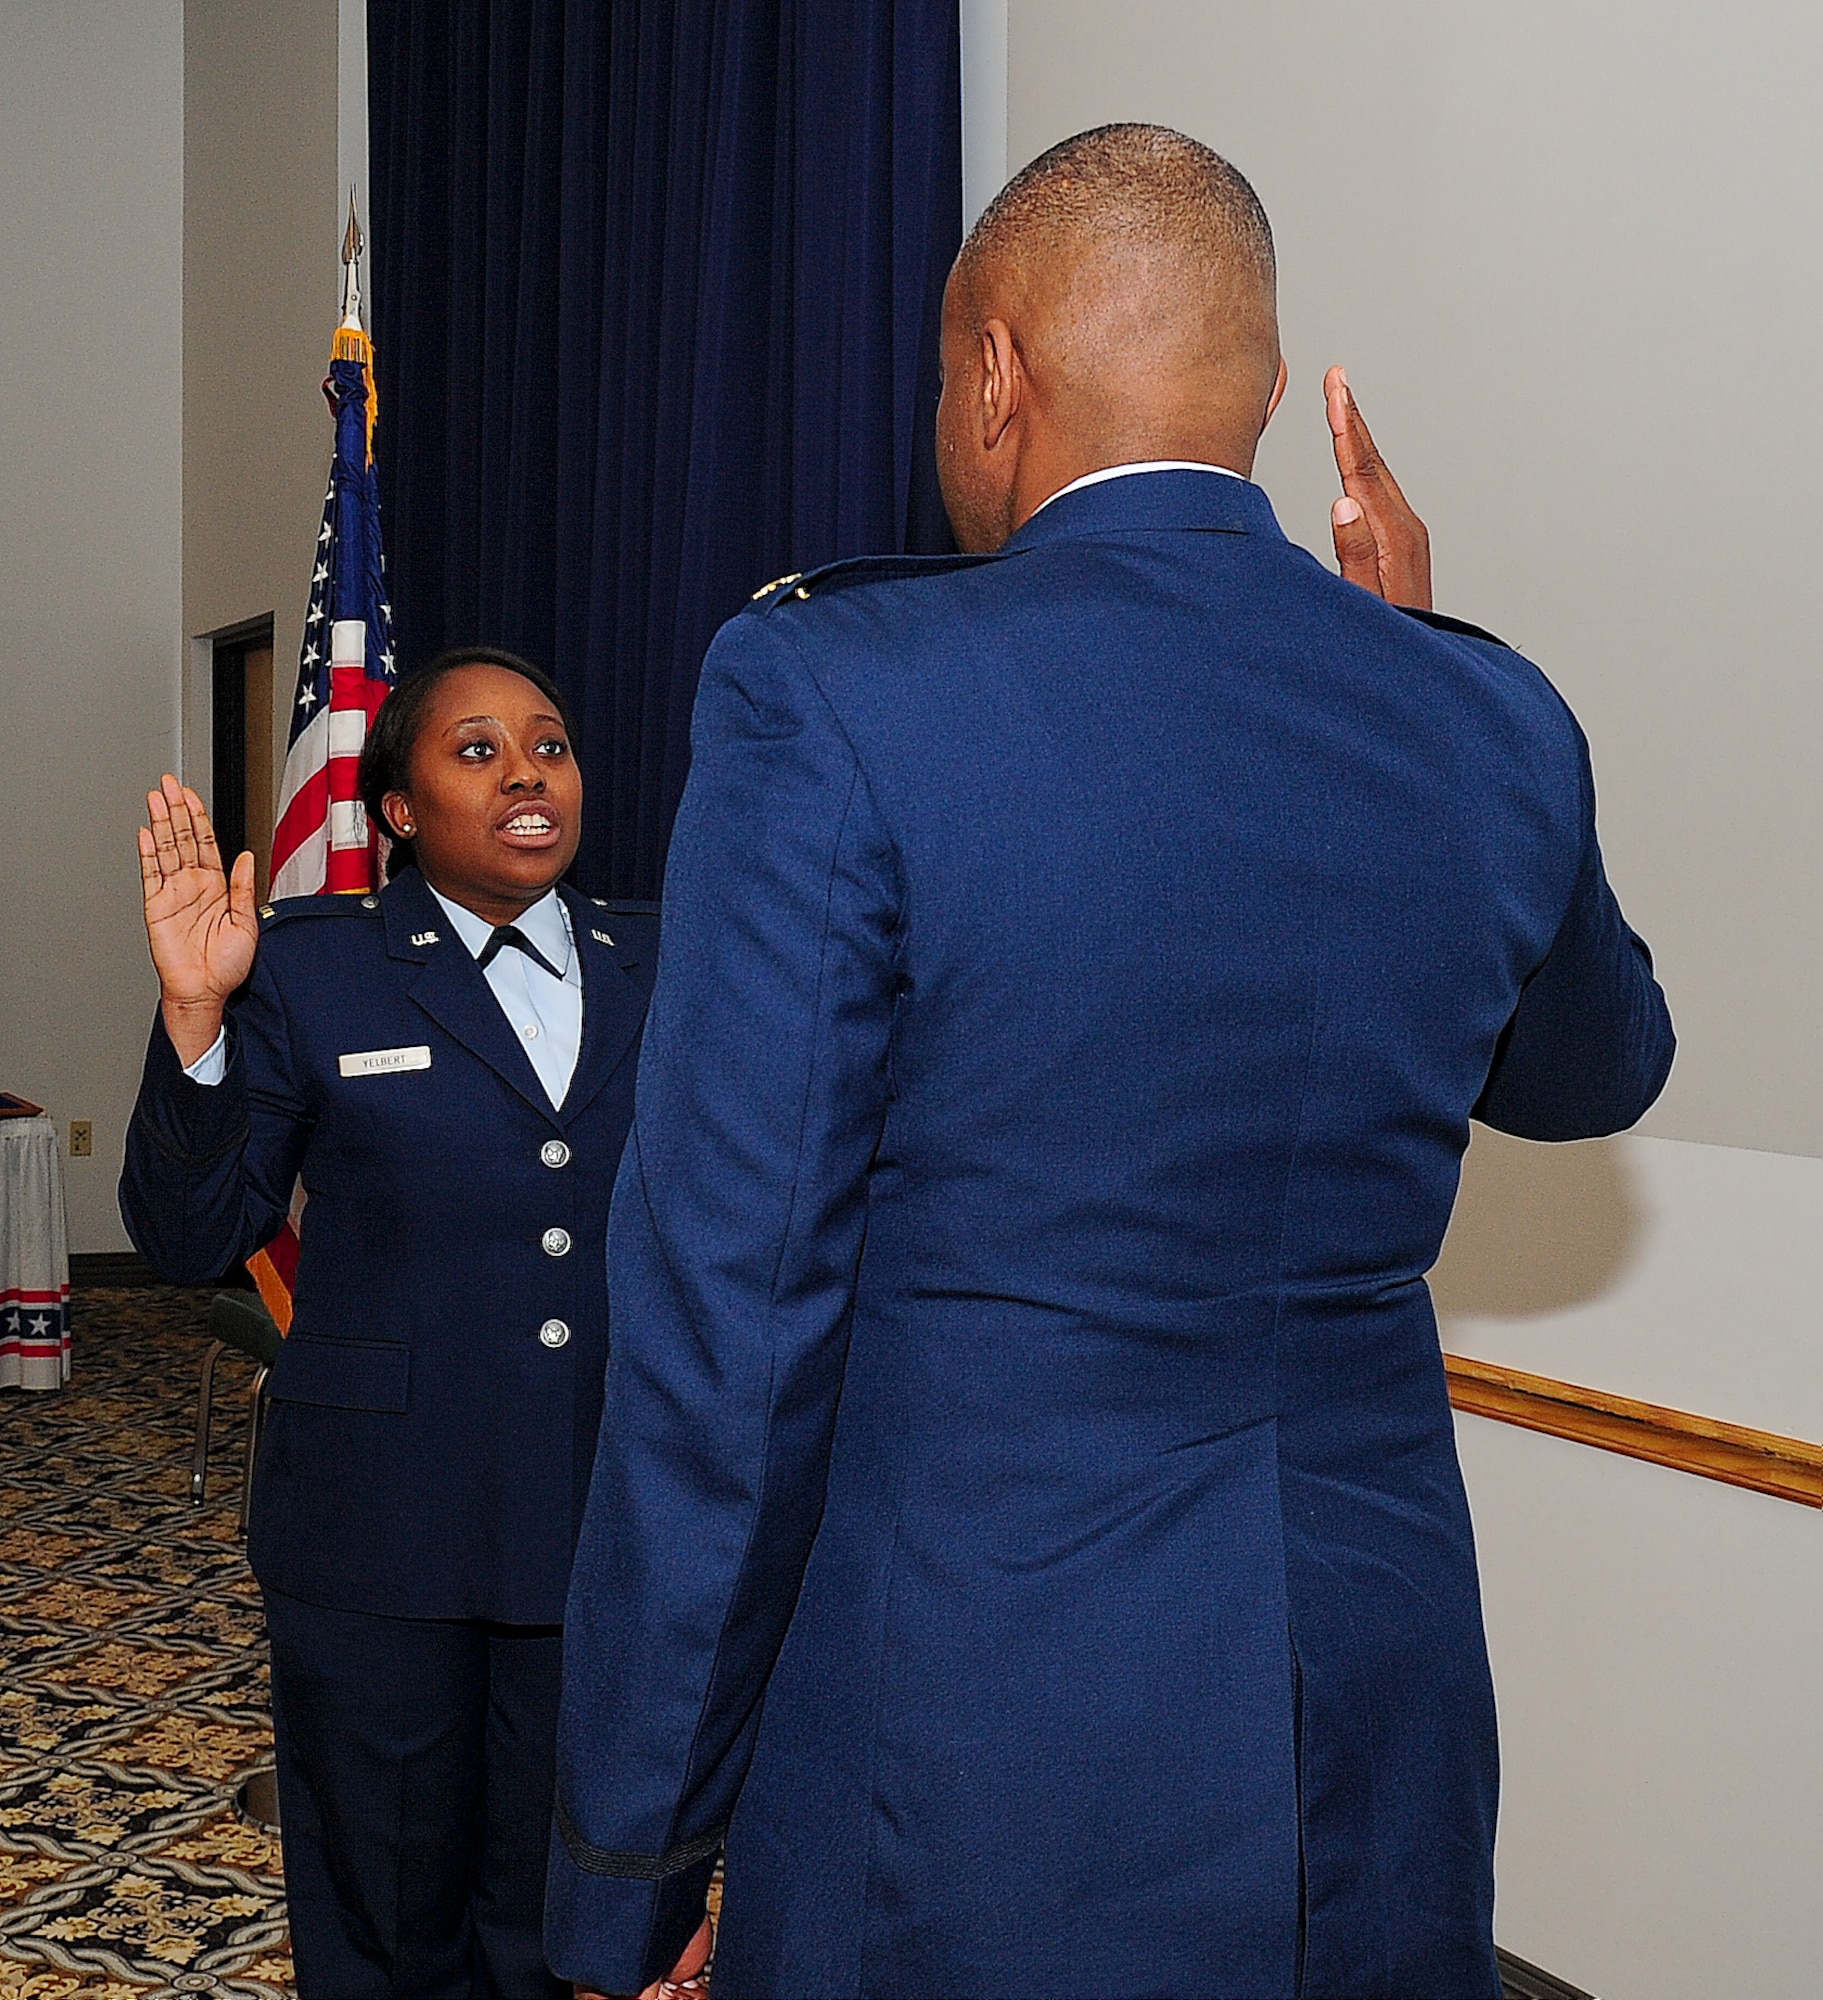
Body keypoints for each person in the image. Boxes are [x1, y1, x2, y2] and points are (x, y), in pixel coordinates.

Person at [545, 124, 1675, 2000]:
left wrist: (631, 1851)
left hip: (984, 1736)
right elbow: (1594, 1070)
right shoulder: (1485, 709)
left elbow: (732, 1329)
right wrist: (1428, 674)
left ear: (995, 368)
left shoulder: (836, 689)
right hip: (1373, 1704)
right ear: (1255, 389)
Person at [119, 649, 663, 2000]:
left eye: (548, 744)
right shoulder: (316, 972)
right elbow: (190, 1238)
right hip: (379, 1531)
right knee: (385, 1903)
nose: (527, 770)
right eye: (476, 751)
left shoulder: (667, 957)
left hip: (600, 1515)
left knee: (556, 1905)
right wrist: (196, 1014)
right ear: (402, 811)